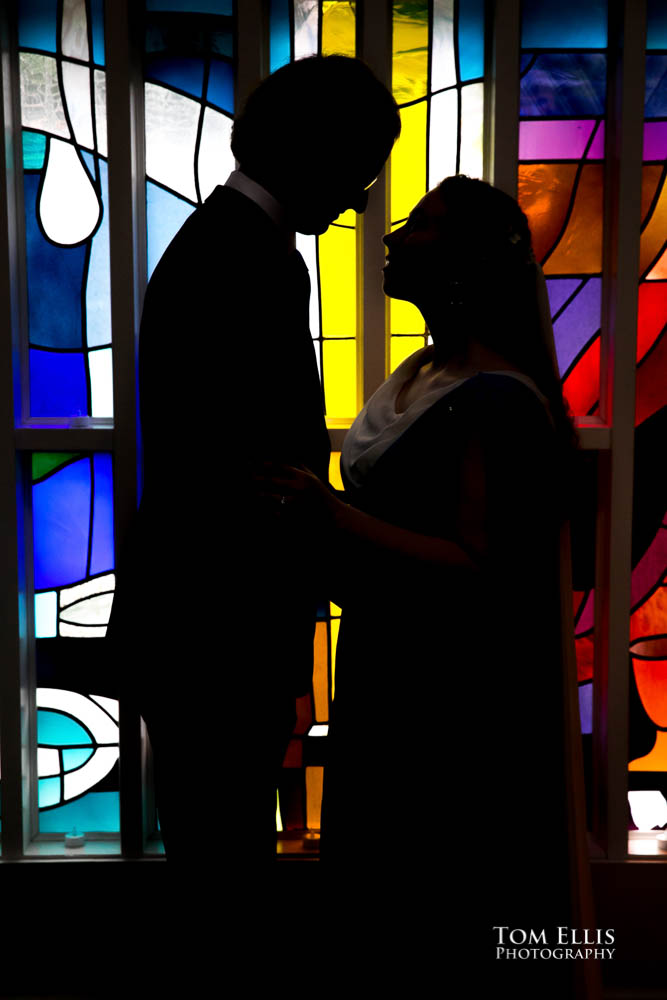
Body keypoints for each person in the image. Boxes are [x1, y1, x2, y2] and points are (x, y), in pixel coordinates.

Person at [261, 175, 580, 991]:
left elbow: (482, 565)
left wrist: (332, 518)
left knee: (435, 894)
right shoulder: (420, 371)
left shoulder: (496, 402)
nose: (392, 237)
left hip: (445, 694)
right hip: (384, 662)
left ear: (469, 265)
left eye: (421, 228)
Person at [106, 55, 400, 874]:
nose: (361, 196)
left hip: (202, 617)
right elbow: (251, 464)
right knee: (223, 849)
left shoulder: (229, 242)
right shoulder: (247, 257)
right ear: (317, 154)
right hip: (217, 625)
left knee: (218, 840)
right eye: (360, 169)